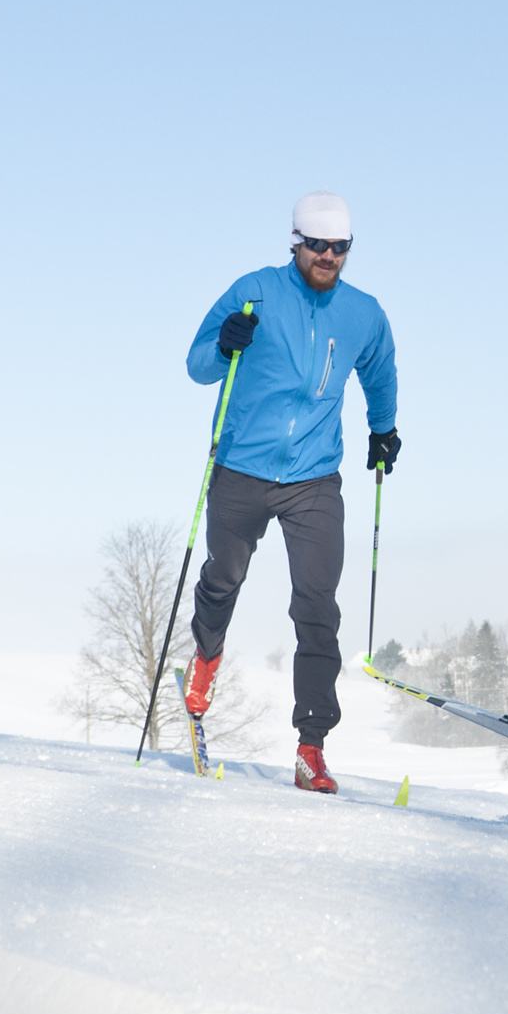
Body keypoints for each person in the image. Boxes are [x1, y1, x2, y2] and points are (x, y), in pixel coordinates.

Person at [182, 191, 400, 794]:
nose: (330, 257)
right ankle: (204, 662)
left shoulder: (363, 312)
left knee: (317, 607)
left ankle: (311, 747)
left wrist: (384, 429)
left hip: (312, 479)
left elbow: (380, 371)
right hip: (243, 468)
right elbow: (199, 365)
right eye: (319, 246)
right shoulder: (254, 291)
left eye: (341, 248)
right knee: (223, 578)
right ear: (296, 243)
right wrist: (225, 342)